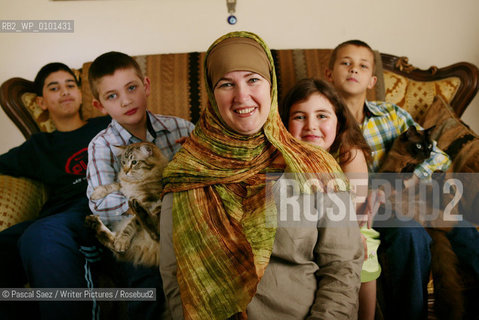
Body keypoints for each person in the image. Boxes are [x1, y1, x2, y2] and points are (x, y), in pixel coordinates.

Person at [159, 31, 364, 320]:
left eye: (253, 80)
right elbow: (173, 274)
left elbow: (342, 266)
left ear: (271, 88)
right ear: (211, 92)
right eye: (226, 84)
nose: (242, 96)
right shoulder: (186, 172)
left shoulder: (316, 165)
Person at [326, 39, 479, 319]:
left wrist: (408, 181)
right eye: (345, 63)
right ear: (330, 74)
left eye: (362, 65)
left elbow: (439, 157)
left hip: (411, 199)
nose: (353, 70)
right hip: (368, 212)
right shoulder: (324, 121)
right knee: (409, 233)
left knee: (466, 230)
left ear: (372, 79)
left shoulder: (392, 115)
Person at [85, 51, 194, 319]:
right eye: (112, 96)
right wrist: (151, 209)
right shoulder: (102, 145)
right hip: (140, 236)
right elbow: (103, 205)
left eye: (131, 88)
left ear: (145, 86)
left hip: (184, 227)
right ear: (100, 106)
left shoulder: (181, 129)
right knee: (146, 282)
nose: (126, 100)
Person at [0, 62, 111, 319]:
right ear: (41, 102)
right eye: (54, 87)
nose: (65, 92)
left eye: (70, 85)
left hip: (96, 211)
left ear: (81, 93)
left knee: (40, 235)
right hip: (56, 215)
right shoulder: (38, 146)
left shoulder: (106, 125)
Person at [279, 78, 380, 320]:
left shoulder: (348, 154)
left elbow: (352, 213)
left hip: (348, 223)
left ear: (339, 121)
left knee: (363, 252)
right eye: (299, 117)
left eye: (322, 116)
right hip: (301, 222)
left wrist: (354, 239)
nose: (311, 126)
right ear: (284, 124)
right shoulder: (282, 155)